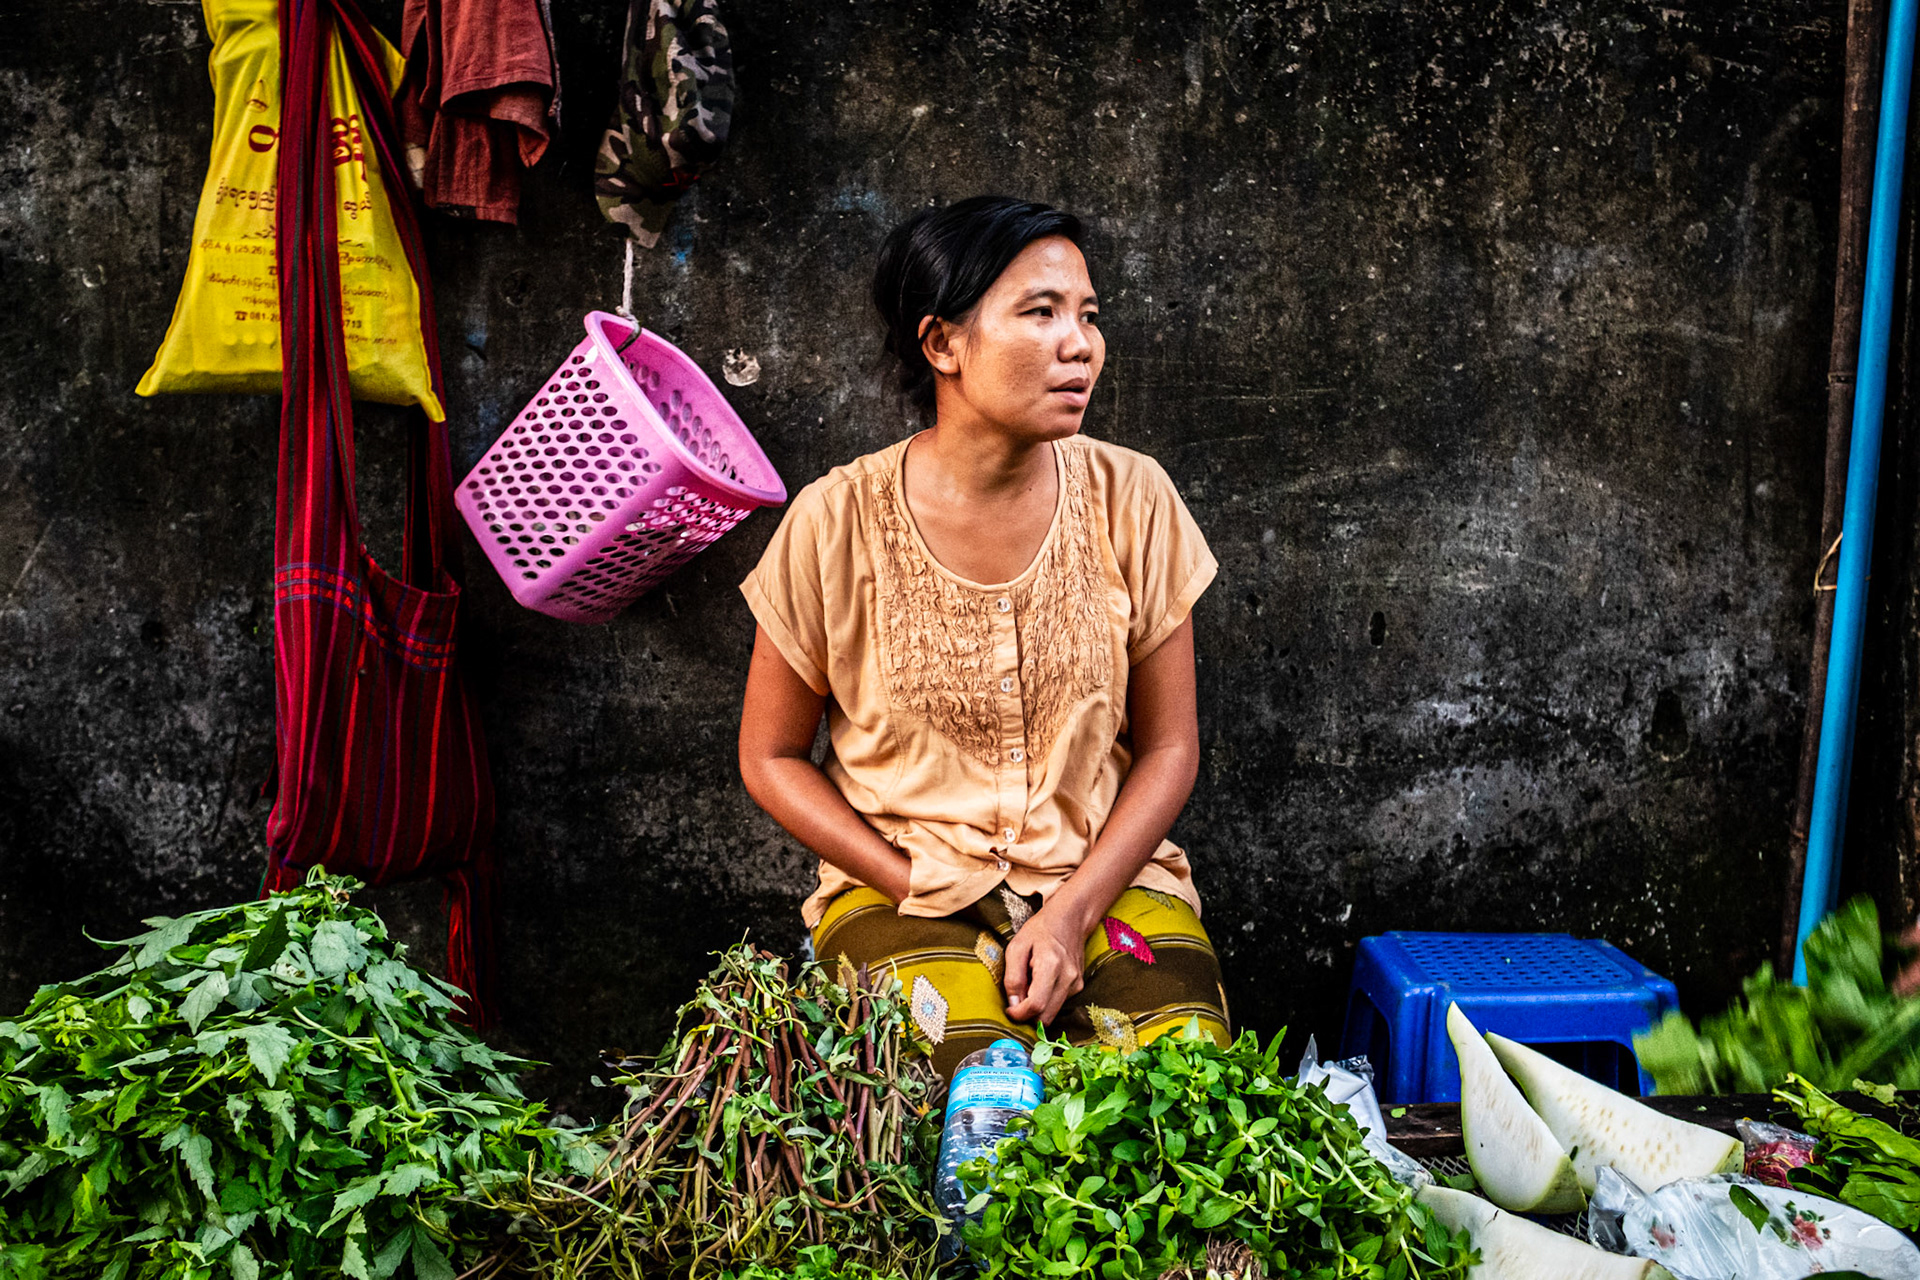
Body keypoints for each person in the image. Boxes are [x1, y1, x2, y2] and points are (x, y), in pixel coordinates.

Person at [737, 196, 1229, 1078]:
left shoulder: (1133, 498)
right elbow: (770, 757)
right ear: (942, 344)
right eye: (1040, 313)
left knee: (1185, 1088)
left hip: (1105, 880)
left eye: (1087, 315)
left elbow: (1170, 747)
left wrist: (1074, 912)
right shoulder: (835, 521)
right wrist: (906, 878)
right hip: (905, 893)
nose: (1078, 344)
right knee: (966, 1099)